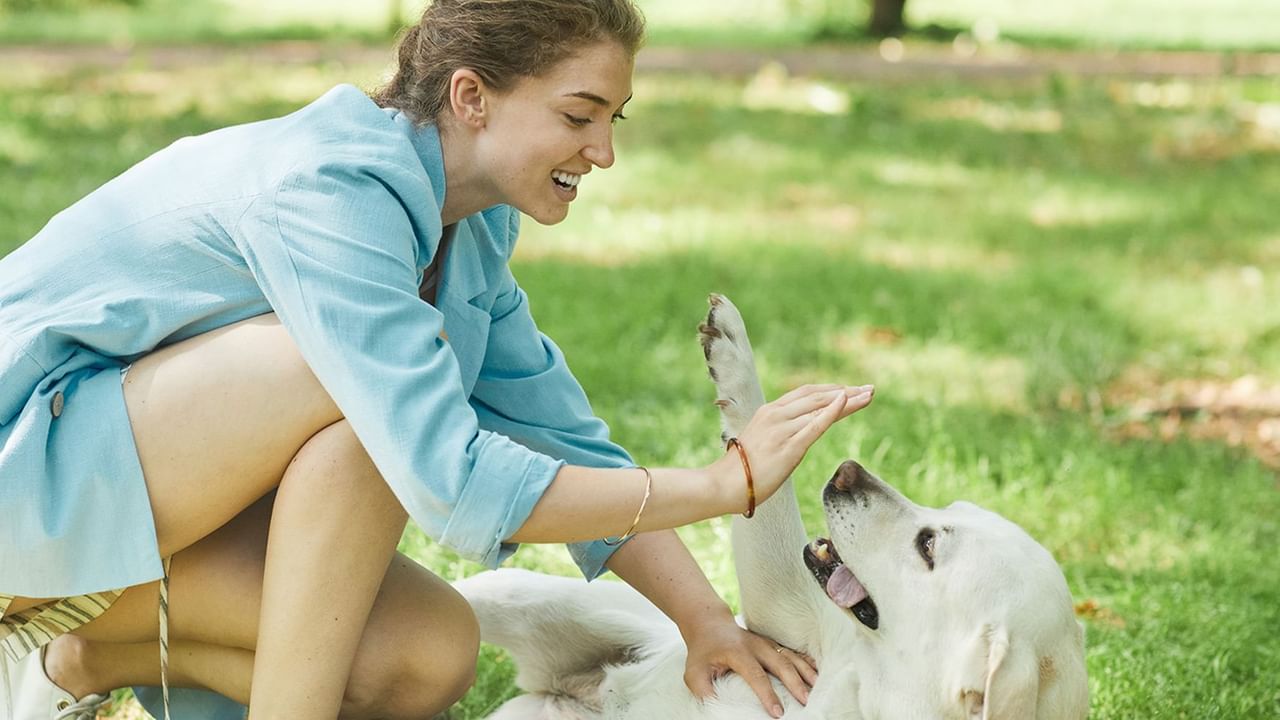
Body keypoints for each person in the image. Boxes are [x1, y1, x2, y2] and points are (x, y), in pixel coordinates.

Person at [0, 1, 874, 718]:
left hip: (120, 512)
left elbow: (559, 434)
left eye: (613, 120)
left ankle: (76, 655)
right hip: (24, 470)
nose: (603, 151)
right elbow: (446, 478)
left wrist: (705, 623)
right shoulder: (334, 188)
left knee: (425, 656)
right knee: (353, 396)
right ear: (471, 97)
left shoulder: (470, 226)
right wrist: (724, 485)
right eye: (578, 116)